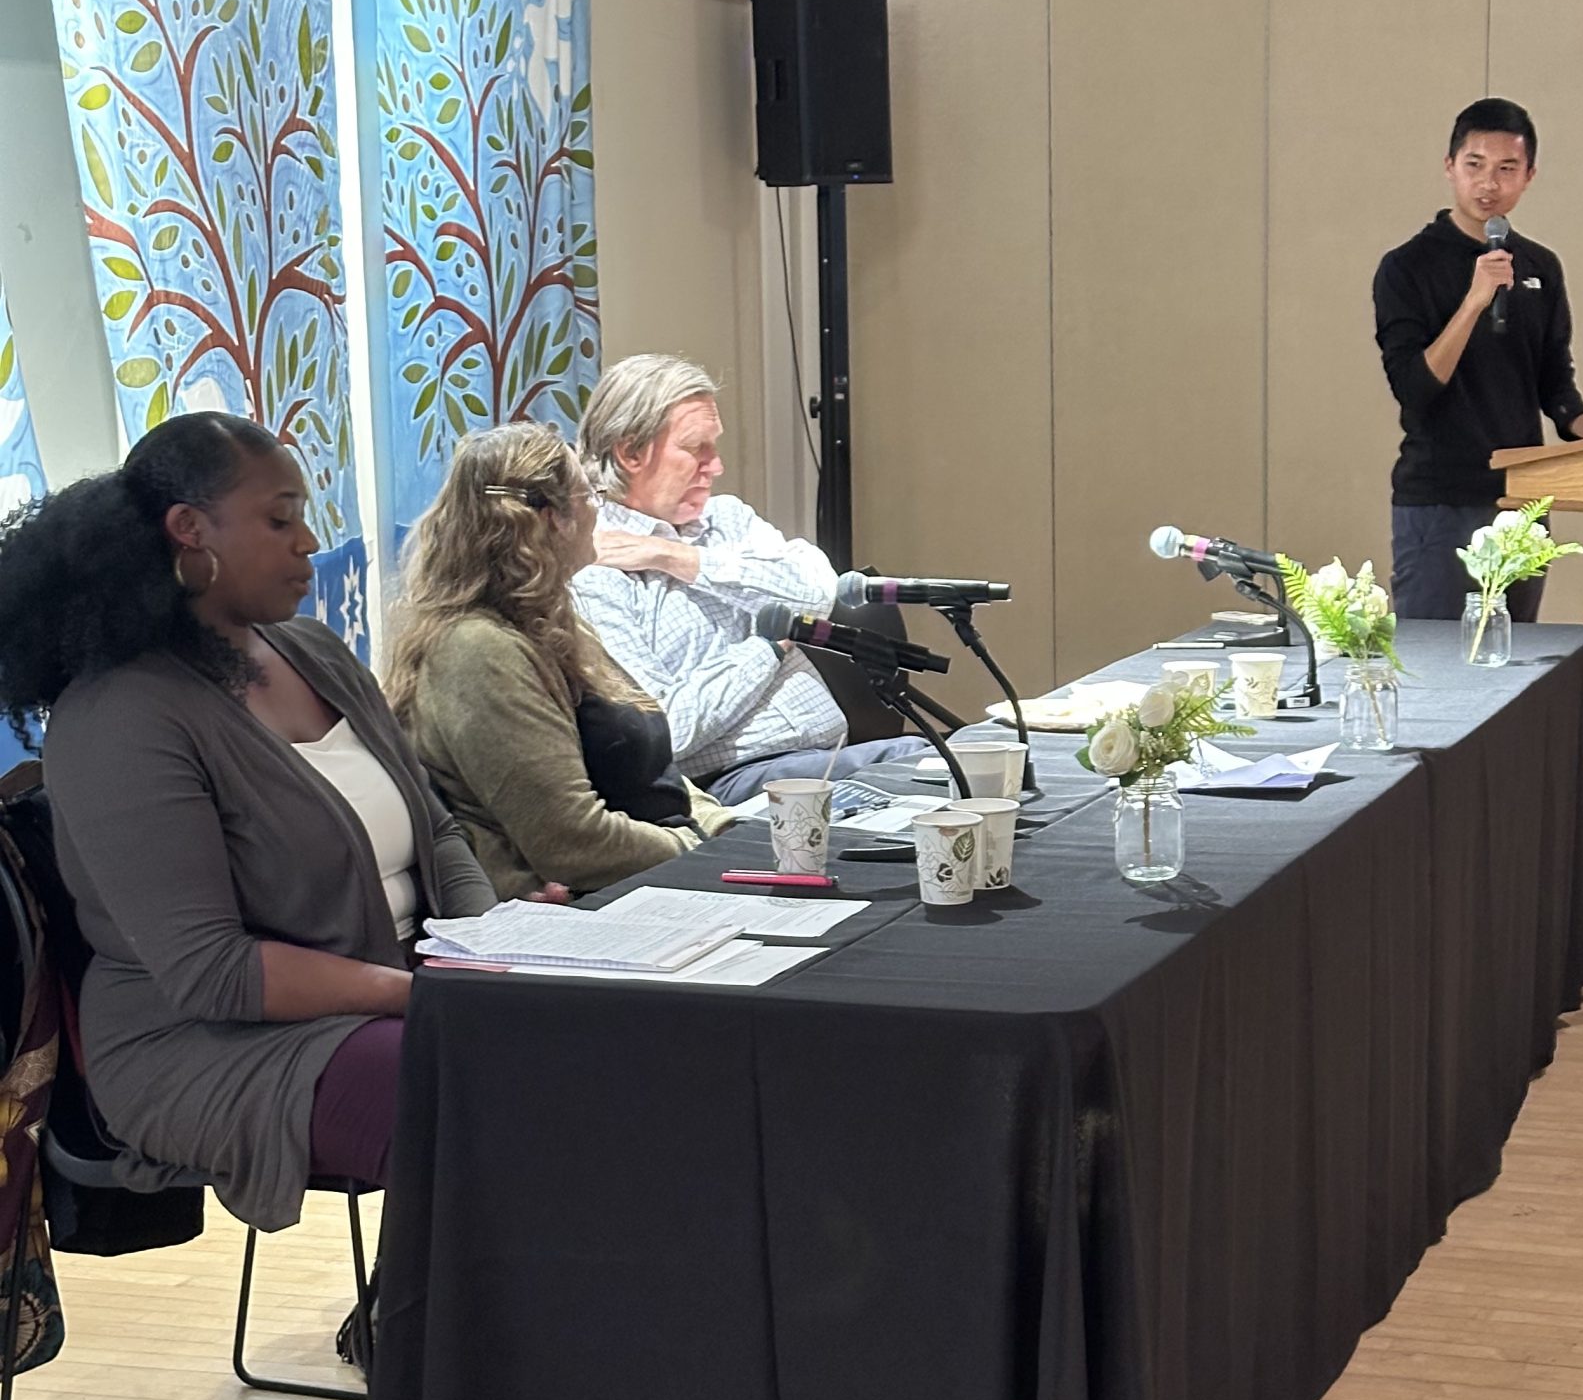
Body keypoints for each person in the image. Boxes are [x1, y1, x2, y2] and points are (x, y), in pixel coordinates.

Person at [0, 412, 494, 1242]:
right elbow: (212, 972)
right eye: (279, 518)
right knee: (486, 1087)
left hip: (401, 992)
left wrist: (493, 950)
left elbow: (437, 832)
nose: (308, 541)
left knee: (584, 1043)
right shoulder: (121, 716)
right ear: (190, 531)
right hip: (206, 1045)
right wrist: (427, 995)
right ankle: (451, 1353)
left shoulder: (314, 651)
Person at [386, 425, 732, 897]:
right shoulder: (478, 651)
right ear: (552, 518)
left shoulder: (553, 623)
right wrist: (695, 848)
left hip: (655, 874)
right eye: (590, 493)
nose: (599, 508)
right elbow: (571, 842)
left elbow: (651, 774)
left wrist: (725, 828)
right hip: (593, 903)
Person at [571, 356, 927, 806]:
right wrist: (768, 646)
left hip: (822, 756)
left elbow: (818, 591)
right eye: (696, 447)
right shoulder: (598, 571)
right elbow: (665, 730)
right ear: (630, 453)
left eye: (713, 446)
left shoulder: (726, 520)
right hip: (723, 785)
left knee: (964, 764)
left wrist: (681, 557)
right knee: (926, 768)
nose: (715, 466)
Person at [1373, 98, 1583, 622]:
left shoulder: (1540, 266)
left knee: (1510, 670)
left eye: (1506, 169)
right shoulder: (1407, 267)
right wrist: (1474, 300)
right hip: (1440, 499)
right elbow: (1414, 388)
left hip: (1521, 499)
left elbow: (1553, 380)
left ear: (1529, 176)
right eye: (1474, 165)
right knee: (1436, 669)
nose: (1488, 183)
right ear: (1450, 167)